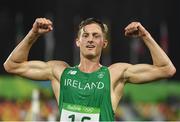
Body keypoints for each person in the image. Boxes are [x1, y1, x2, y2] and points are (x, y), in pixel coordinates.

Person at [4, 17, 176, 121]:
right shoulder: (60, 72)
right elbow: (12, 65)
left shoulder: (114, 74)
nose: (90, 40)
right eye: (85, 35)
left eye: (96, 36)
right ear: (78, 42)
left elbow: (166, 69)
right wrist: (33, 33)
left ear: (104, 43)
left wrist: (145, 36)